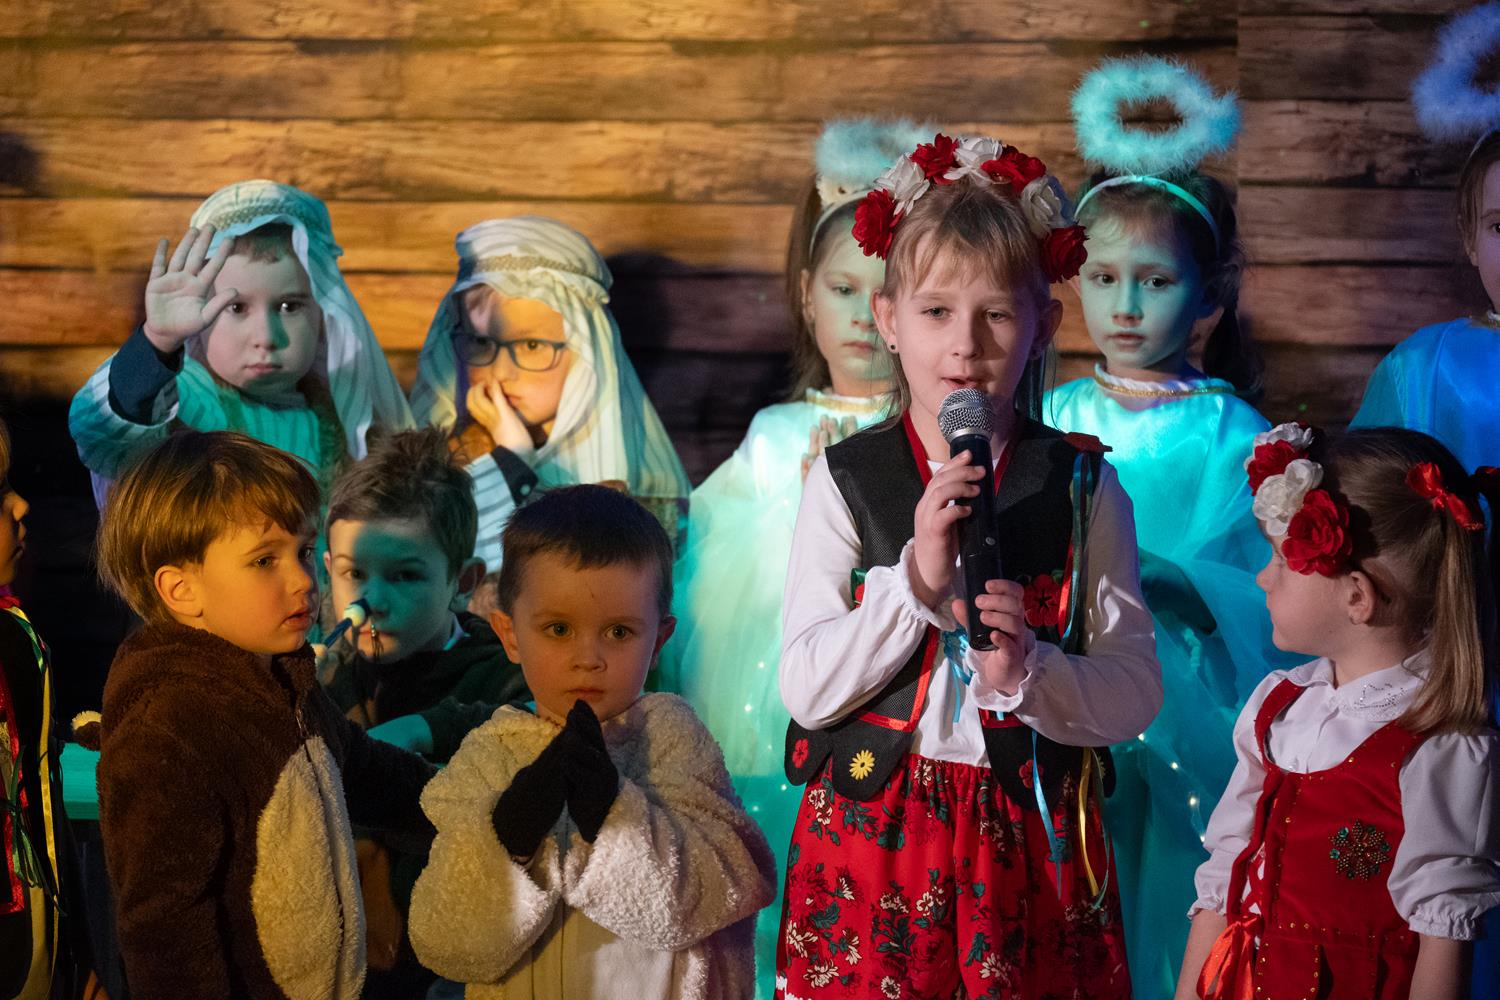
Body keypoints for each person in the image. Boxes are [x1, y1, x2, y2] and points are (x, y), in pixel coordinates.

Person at [776, 133, 1160, 998]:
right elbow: (806, 687)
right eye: (936, 312)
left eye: (997, 315)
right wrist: (911, 586)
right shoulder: (847, 480)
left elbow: (1135, 687)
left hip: (1029, 835)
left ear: (1043, 327)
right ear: (888, 320)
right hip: (875, 831)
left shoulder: (1083, 487)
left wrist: (1033, 673)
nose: (966, 345)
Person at [661, 117, 926, 998]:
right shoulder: (776, 433)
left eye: (883, 292)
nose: (860, 315)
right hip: (768, 690)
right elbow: (714, 564)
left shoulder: (918, 435)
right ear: (807, 297)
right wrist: (800, 503)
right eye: (842, 289)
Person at [1047, 55, 1293, 994]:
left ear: (1209, 298)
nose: (1124, 305)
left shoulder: (1235, 432)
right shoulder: (1056, 414)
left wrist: (1158, 572)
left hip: (1184, 703)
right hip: (1058, 681)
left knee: (1164, 880)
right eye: (1103, 277)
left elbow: (1261, 585)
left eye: (1153, 281)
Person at [91, 431, 434, 998]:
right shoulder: (168, 726)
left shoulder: (281, 679)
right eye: (264, 560)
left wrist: (475, 806)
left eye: (303, 551)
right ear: (181, 589)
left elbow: (367, 771)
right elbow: (164, 929)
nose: (302, 579)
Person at [408, 484, 776, 998]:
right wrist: (508, 838)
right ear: (510, 635)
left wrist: (613, 814)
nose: (588, 658)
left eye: (619, 632)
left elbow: (721, 892)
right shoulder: (489, 758)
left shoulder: (671, 741)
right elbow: (445, 943)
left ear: (658, 640)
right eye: (558, 629)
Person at [1178, 425, 1500, 999]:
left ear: (1356, 595)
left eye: (1281, 561)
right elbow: (1224, 881)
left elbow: (1443, 937)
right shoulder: (1278, 707)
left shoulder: (1439, 742)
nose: (1262, 578)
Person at [319, 427, 531, 995]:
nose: (371, 601)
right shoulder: (328, 677)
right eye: (353, 573)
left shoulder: (502, 678)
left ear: (463, 582)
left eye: (405, 576)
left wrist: (424, 728)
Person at [69, 180, 413, 504]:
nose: (266, 338)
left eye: (289, 307)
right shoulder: (185, 402)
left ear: (325, 314)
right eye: (236, 308)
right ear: (201, 312)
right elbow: (104, 436)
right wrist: (157, 342)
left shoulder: (344, 419)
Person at [408, 217, 689, 569]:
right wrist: (511, 459)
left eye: (531, 345)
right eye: (480, 342)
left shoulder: (649, 491)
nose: (501, 371)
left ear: (586, 354)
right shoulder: (435, 467)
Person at [0, 417, 95, 998]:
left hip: (33, 945)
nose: (21, 504)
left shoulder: (13, 631)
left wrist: (76, 947)